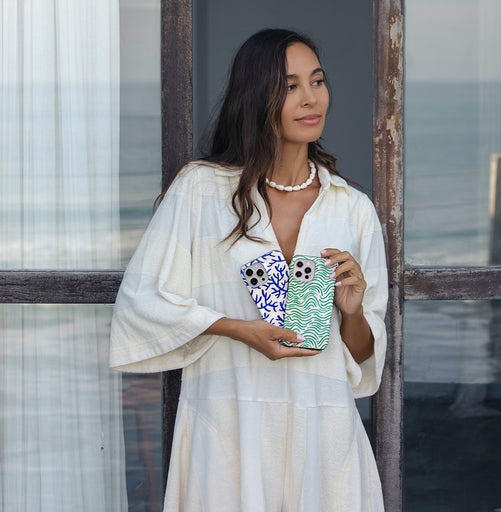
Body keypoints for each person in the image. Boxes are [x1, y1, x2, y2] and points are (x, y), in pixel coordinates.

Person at [110, 28, 388, 511]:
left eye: (317, 81)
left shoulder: (353, 208)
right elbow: (141, 302)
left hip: (323, 431)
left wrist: (352, 311)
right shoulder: (201, 190)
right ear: (256, 96)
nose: (311, 98)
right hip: (227, 426)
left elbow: (364, 358)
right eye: (290, 86)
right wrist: (238, 329)